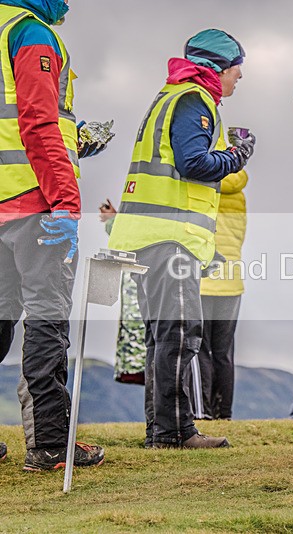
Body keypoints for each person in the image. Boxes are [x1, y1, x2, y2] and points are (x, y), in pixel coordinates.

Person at [108, 29, 255, 449]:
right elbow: (194, 163)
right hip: (170, 236)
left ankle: (161, 430)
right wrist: (238, 154)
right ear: (219, 67)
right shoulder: (195, 100)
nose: (239, 76)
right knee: (179, 332)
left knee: (162, 333)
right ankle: (175, 432)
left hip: (148, 234)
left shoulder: (169, 96)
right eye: (235, 67)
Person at [0, 0, 109, 470]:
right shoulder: (30, 31)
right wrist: (66, 203)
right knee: (47, 321)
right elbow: (37, 121)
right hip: (35, 201)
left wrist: (73, 129)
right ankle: (49, 444)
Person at [194, 169, 248, 420]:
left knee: (202, 348)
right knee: (224, 352)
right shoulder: (239, 193)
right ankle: (224, 412)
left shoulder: (203, 187)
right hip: (231, 282)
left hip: (204, 279)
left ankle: (203, 409)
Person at [99, 200, 146, 385]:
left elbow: (132, 235)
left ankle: (156, 412)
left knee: (153, 349)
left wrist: (113, 221)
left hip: (142, 281)